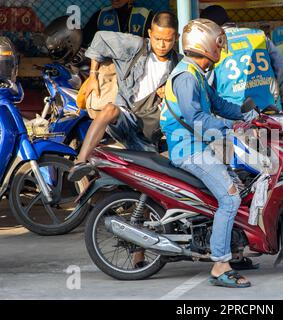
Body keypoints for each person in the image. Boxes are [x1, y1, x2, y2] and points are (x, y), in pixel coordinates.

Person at [160, 18, 251, 288]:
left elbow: (218, 103)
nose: (221, 49)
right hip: (189, 150)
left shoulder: (196, 72)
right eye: (218, 43)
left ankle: (235, 250)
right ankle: (220, 264)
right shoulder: (187, 77)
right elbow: (197, 119)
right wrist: (231, 125)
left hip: (201, 146)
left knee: (243, 182)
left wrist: (247, 113)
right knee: (230, 198)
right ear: (205, 44)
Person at [68, 11, 180, 182]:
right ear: (150, 34)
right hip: (124, 118)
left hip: (147, 133)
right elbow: (100, 39)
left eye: (168, 40)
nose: (162, 45)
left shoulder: (179, 65)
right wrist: (92, 75)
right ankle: (81, 161)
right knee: (110, 109)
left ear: (176, 38)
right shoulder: (135, 45)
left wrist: (171, 93)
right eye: (158, 39)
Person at [200, 5, 283, 110]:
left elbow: (204, 87)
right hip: (270, 113)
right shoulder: (258, 36)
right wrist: (281, 98)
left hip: (234, 118)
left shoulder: (213, 46)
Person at [83, 0, 154, 46]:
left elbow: (152, 45)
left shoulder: (144, 15)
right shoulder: (101, 14)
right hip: (107, 61)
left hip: (135, 62)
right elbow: (85, 40)